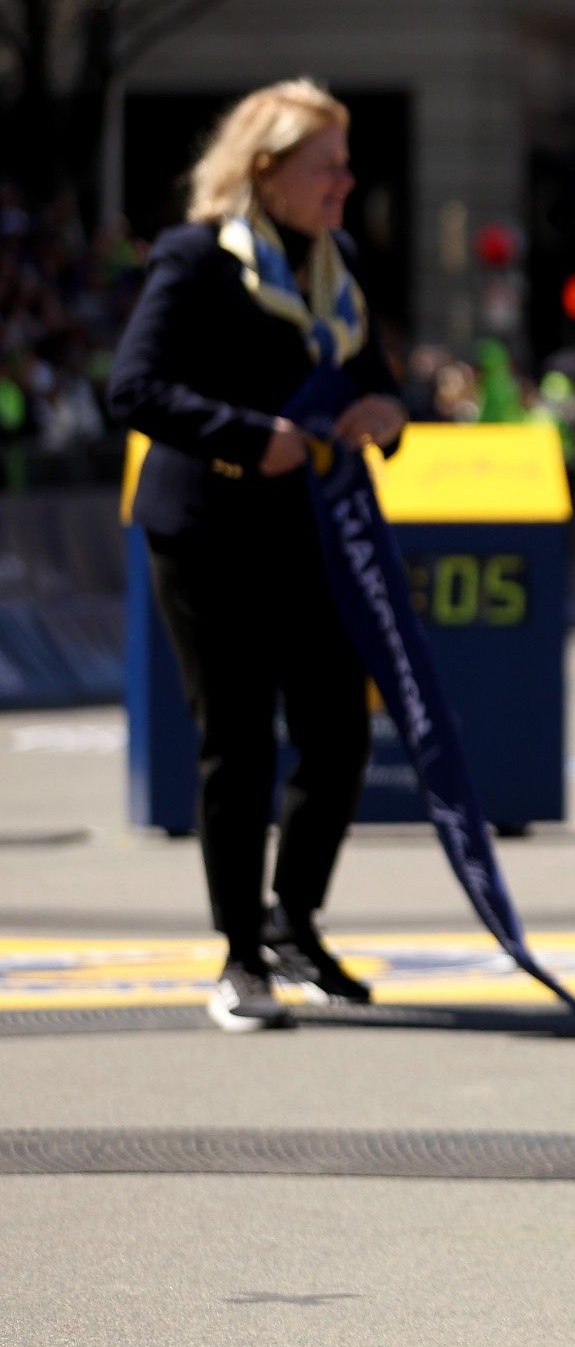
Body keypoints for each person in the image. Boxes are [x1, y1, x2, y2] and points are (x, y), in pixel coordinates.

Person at [105, 80, 406, 1031]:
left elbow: (377, 384)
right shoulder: (196, 258)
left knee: (339, 732)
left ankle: (293, 921)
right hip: (207, 533)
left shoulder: (335, 260)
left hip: (306, 527)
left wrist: (386, 414)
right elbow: (134, 389)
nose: (345, 184)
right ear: (266, 169)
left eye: (347, 166)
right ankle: (239, 959)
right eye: (328, 167)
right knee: (235, 743)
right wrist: (245, 434)